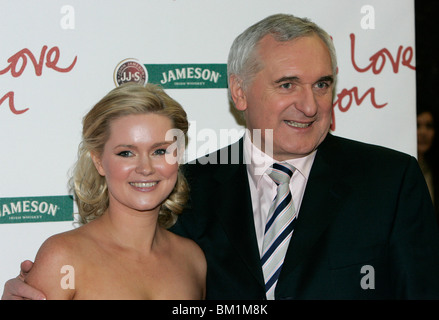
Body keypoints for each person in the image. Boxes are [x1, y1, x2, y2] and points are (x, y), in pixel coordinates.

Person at [3, 13, 439, 300]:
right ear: (238, 92)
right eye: (287, 84)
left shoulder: (390, 181)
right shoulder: (185, 185)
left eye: (322, 84)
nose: (309, 105)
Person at [7, 83, 206, 299]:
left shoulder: (192, 259)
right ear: (99, 161)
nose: (146, 168)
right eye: (126, 153)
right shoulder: (64, 257)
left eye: (159, 151)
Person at [417, 107, 439, 225]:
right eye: (417, 125)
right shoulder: (397, 170)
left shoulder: (432, 170)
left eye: (429, 126)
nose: (423, 132)